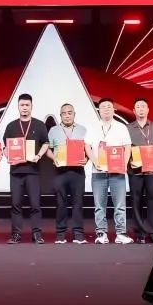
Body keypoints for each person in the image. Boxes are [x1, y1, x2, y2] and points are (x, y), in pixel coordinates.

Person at [3, 93, 50, 244]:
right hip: (16, 172)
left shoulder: (39, 125)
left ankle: (37, 234)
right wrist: (7, 155)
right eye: (22, 105)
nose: (24, 108)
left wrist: (39, 155)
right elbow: (5, 146)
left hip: (33, 171)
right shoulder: (11, 126)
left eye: (27, 105)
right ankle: (16, 235)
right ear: (18, 106)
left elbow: (46, 143)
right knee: (15, 204)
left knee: (35, 204)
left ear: (31, 106)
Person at [87, 97, 133, 244]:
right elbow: (87, 146)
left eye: (109, 106)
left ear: (114, 109)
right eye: (103, 107)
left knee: (120, 205)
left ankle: (121, 234)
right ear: (99, 110)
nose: (106, 109)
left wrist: (124, 164)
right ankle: (101, 234)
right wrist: (95, 162)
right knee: (99, 205)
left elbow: (127, 147)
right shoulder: (93, 127)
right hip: (98, 172)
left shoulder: (121, 127)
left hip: (117, 172)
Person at [47, 102, 88, 244]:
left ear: (74, 114)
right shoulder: (53, 130)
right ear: (60, 115)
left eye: (70, 113)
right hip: (60, 172)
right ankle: (60, 234)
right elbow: (48, 148)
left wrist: (87, 159)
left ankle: (78, 234)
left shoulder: (83, 130)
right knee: (60, 204)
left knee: (78, 203)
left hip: (78, 171)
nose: (67, 116)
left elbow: (88, 148)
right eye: (64, 113)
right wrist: (54, 158)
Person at [126, 98, 153, 243]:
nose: (141, 109)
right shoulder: (128, 127)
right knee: (136, 200)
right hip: (135, 169)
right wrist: (129, 162)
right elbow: (125, 147)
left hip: (152, 169)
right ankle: (140, 233)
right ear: (134, 111)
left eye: (143, 106)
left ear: (148, 110)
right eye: (138, 107)